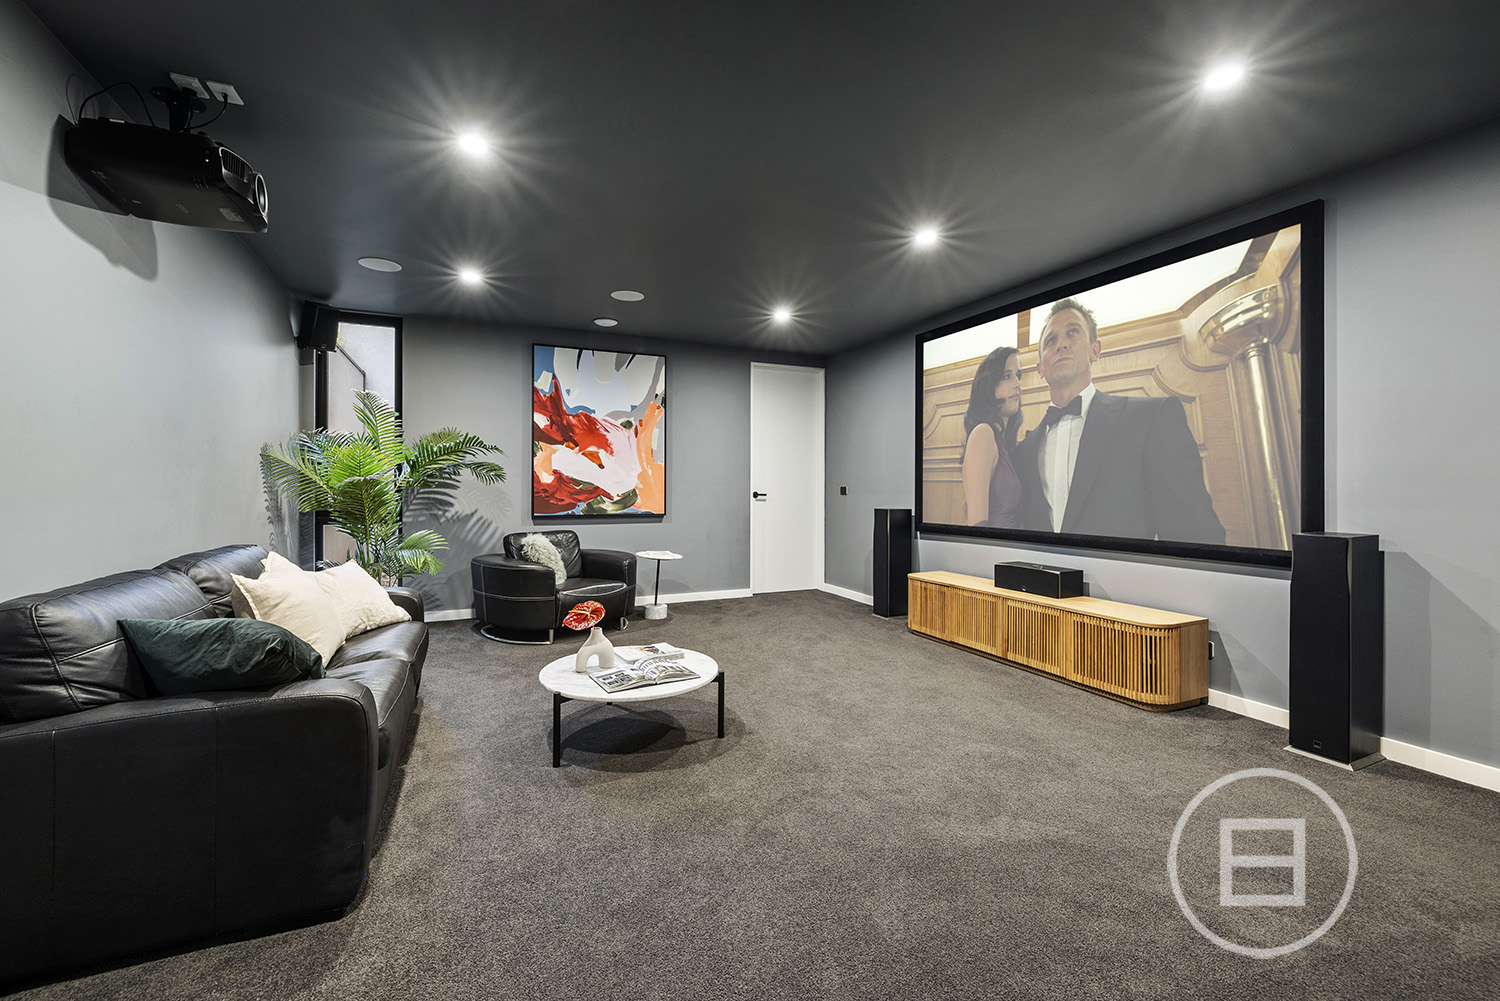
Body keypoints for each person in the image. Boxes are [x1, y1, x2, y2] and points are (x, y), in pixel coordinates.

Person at [1014, 298, 1226, 544]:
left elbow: (1195, 534)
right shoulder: (1022, 452)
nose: (1061, 344)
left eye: (1073, 332)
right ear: (1040, 368)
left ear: (1095, 350)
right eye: (1051, 340)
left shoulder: (1151, 419)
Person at [960, 346, 1024, 528]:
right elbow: (977, 525)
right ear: (988, 385)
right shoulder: (983, 433)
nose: (1017, 384)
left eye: (1018, 376)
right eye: (1007, 376)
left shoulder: (1003, 443)